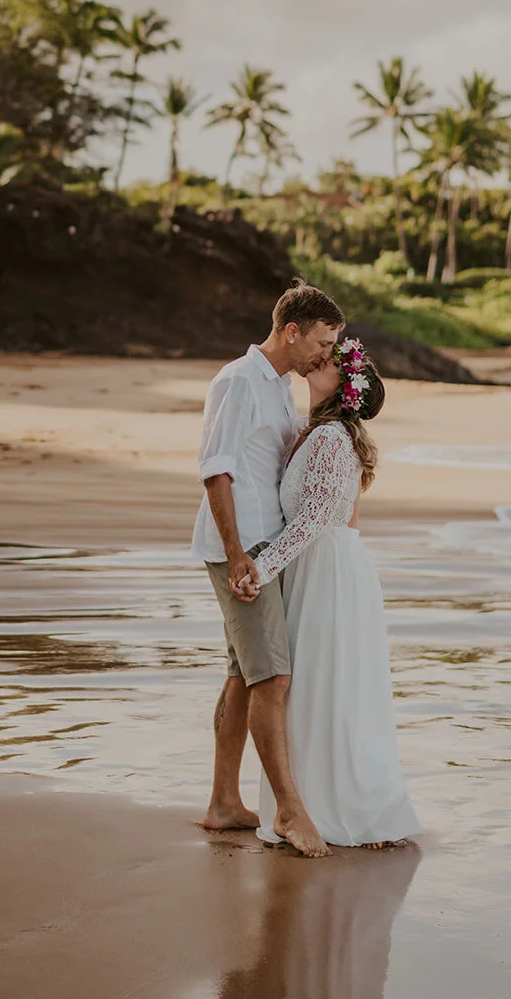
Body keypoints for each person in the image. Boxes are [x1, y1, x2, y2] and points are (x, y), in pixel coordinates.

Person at [238, 337, 421, 849]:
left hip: (327, 571)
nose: (323, 360)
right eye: (324, 354)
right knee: (316, 688)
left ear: (344, 386)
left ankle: (345, 809)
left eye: (334, 362)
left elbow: (317, 519)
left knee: (325, 687)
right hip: (318, 567)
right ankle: (312, 802)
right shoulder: (311, 433)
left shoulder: (332, 439)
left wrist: (262, 565)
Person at [191, 282, 345, 858]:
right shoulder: (237, 381)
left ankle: (224, 803)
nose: (325, 356)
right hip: (244, 551)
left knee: (242, 673)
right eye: (322, 343)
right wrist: (237, 555)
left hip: (264, 548)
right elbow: (217, 471)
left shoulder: (281, 387)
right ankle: (288, 809)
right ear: (291, 332)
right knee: (272, 678)